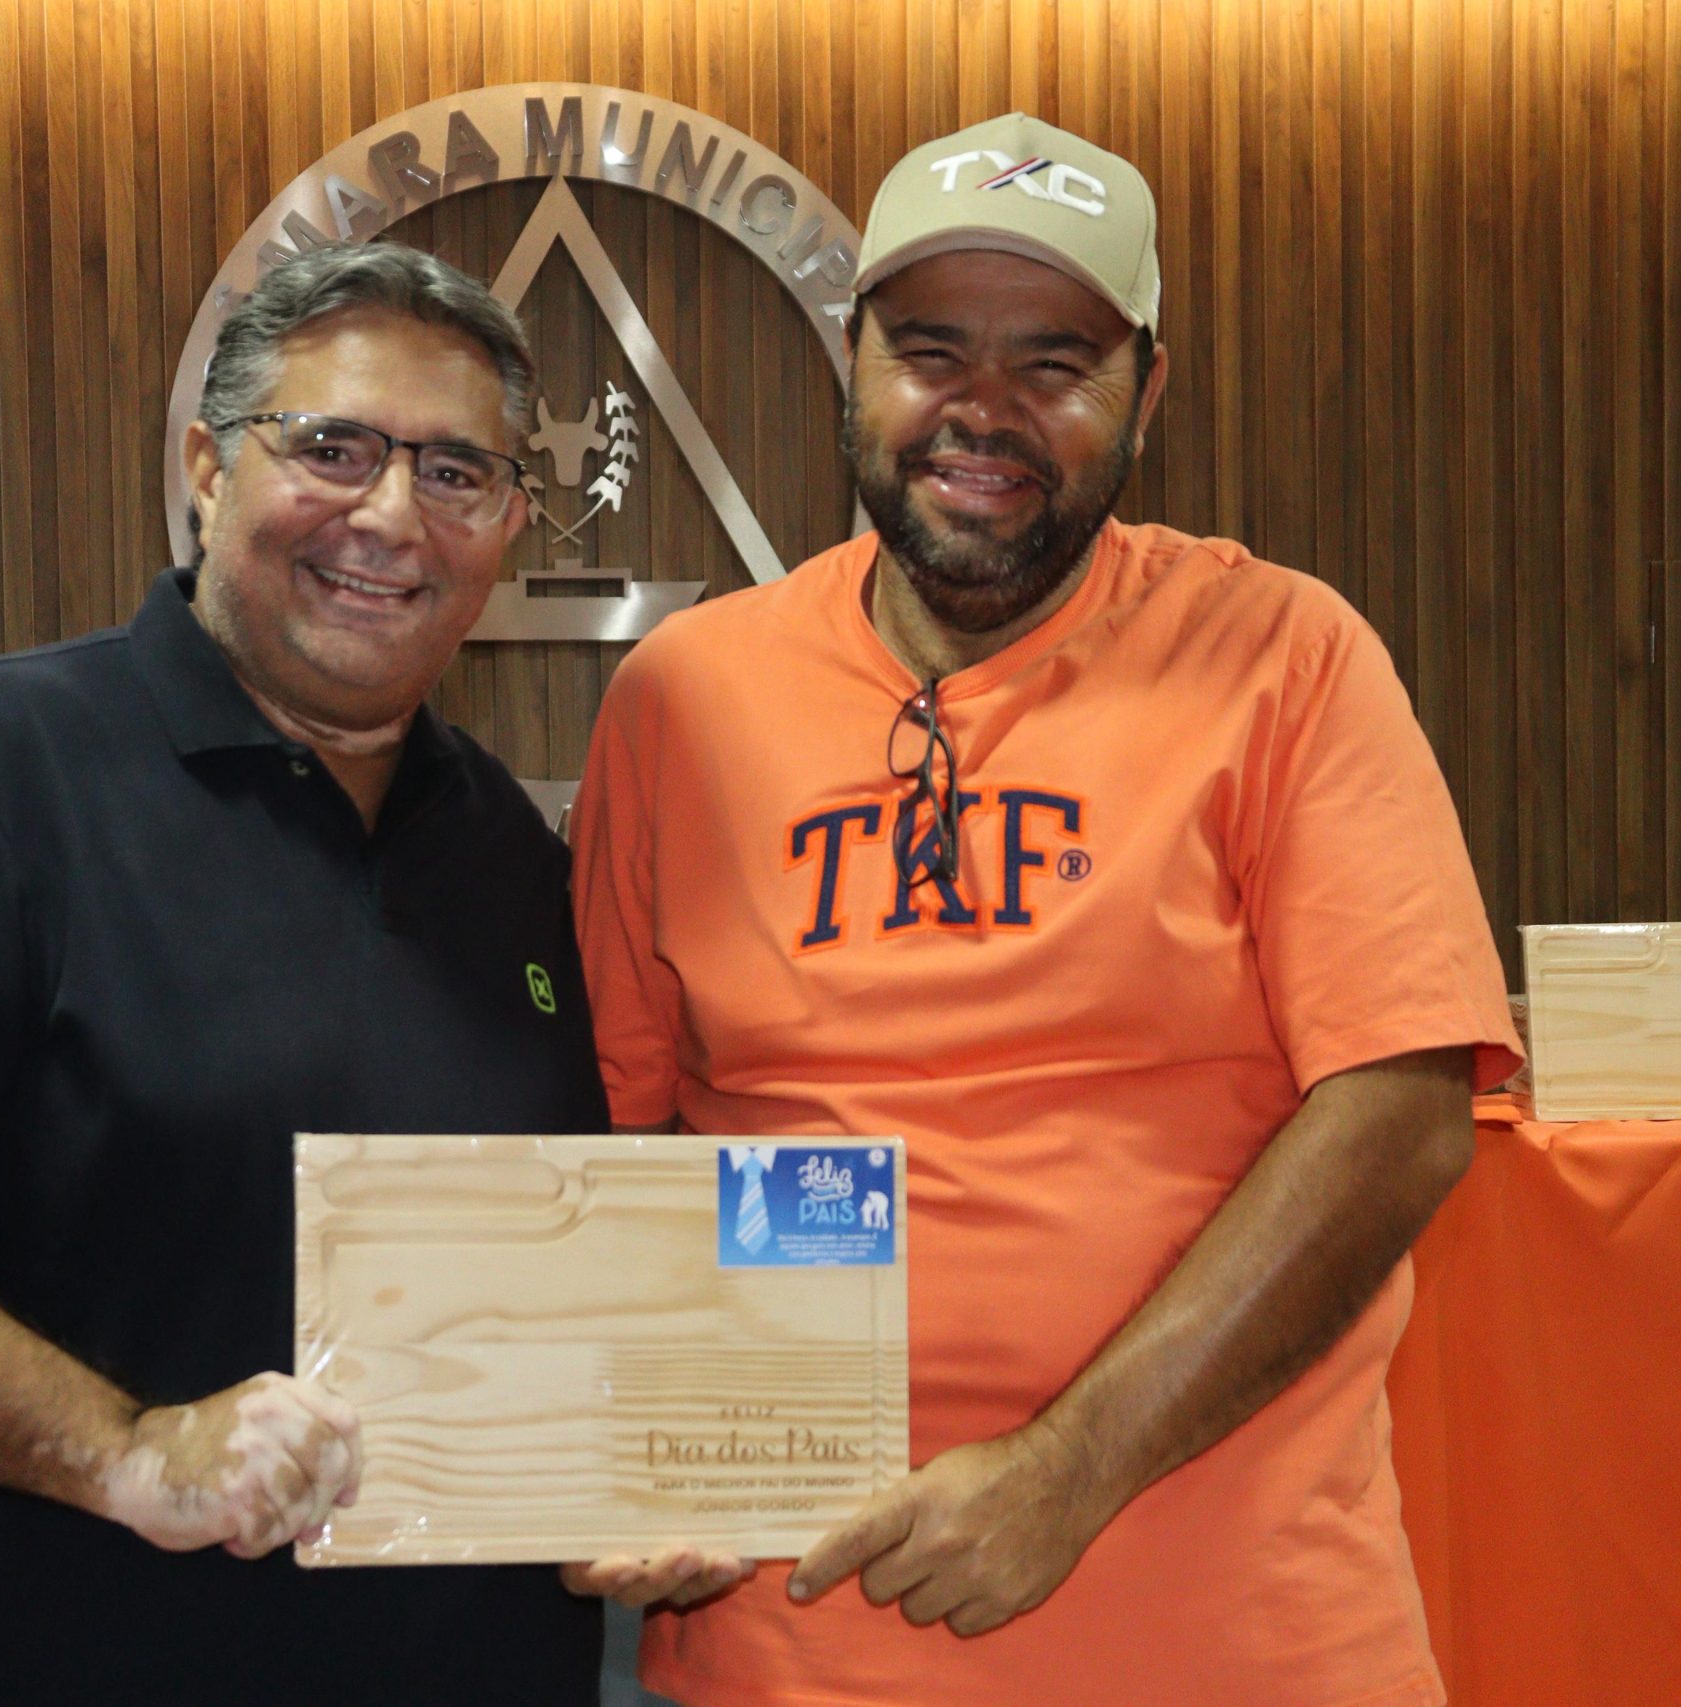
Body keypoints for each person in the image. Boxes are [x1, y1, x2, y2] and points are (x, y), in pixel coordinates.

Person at [565, 113, 1523, 1705]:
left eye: (1055, 363)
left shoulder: (1285, 657)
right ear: (853, 365)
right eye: (931, 349)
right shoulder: (681, 697)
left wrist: (1066, 1471)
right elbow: (618, 1140)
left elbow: (1402, 1110)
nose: (983, 410)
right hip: (789, 1645)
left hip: (1235, 1642)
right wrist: (632, 1441)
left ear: (1149, 390)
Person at [0, 242, 609, 1705]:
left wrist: (635, 1465)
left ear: (509, 523)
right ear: (207, 469)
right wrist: (123, 1451)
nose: (389, 515)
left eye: (455, 472)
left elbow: (547, 1259)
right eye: (333, 447)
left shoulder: (506, 844)